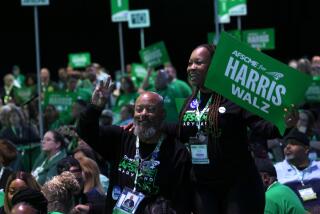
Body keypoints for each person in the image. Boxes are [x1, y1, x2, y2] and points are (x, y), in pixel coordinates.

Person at [175, 44, 297, 214]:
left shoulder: (234, 97)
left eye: (198, 63)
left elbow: (261, 127)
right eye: (189, 63)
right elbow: (179, 133)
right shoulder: (189, 102)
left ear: (214, 65)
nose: (192, 67)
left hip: (236, 185)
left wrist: (286, 124)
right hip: (203, 186)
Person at [77, 80, 194, 214]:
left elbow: (181, 201)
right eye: (139, 109)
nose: (143, 114)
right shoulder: (120, 137)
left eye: (151, 109)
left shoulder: (177, 152)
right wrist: (94, 107)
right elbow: (85, 131)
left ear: (163, 115)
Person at [275, 128, 320, 212]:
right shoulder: (276, 170)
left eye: (293, 144)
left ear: (306, 149)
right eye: (285, 145)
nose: (287, 147)